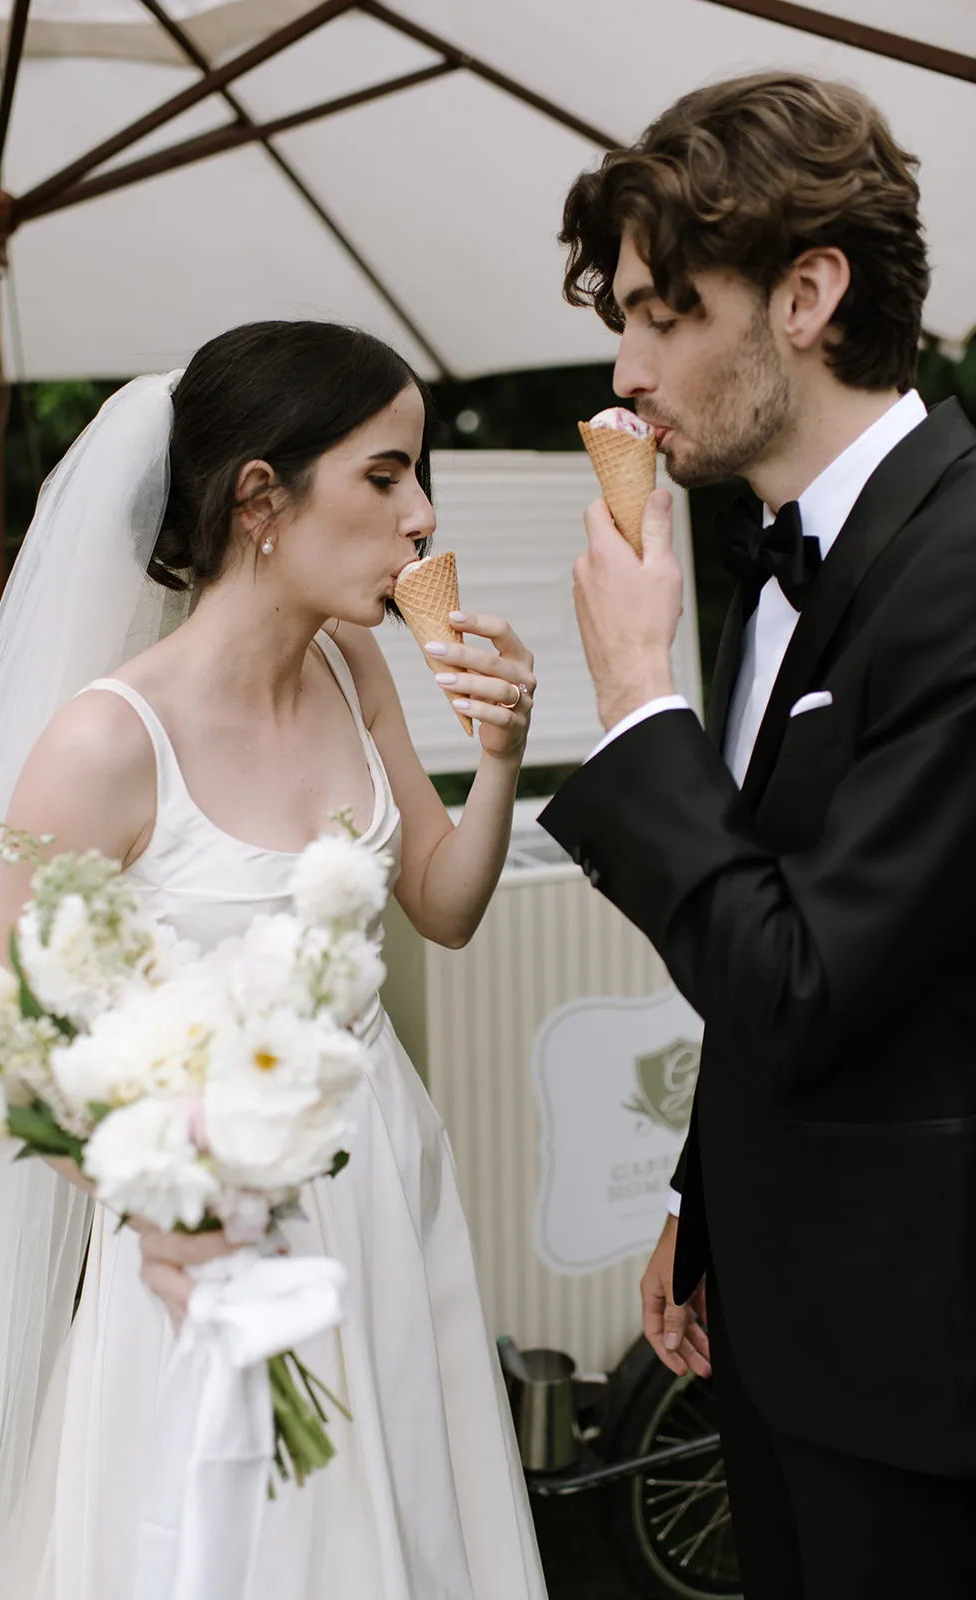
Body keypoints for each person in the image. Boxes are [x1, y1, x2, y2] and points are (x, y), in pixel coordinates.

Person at [0, 320, 547, 1600]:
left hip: (389, 1190)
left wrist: (498, 756)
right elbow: (6, 1047)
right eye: (384, 475)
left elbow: (444, 901)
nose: (420, 515)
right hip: (211, 1252)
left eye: (416, 475)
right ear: (262, 495)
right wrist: (170, 1203)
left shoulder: (351, 661)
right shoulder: (103, 745)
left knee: (414, 1537)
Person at [539, 73, 976, 1599]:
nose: (625, 363)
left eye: (667, 313)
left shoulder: (962, 564)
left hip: (927, 1376)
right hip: (780, 1331)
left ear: (807, 293)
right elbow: (783, 916)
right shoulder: (780, 558)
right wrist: (698, 1200)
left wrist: (635, 696)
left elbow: (804, 980)